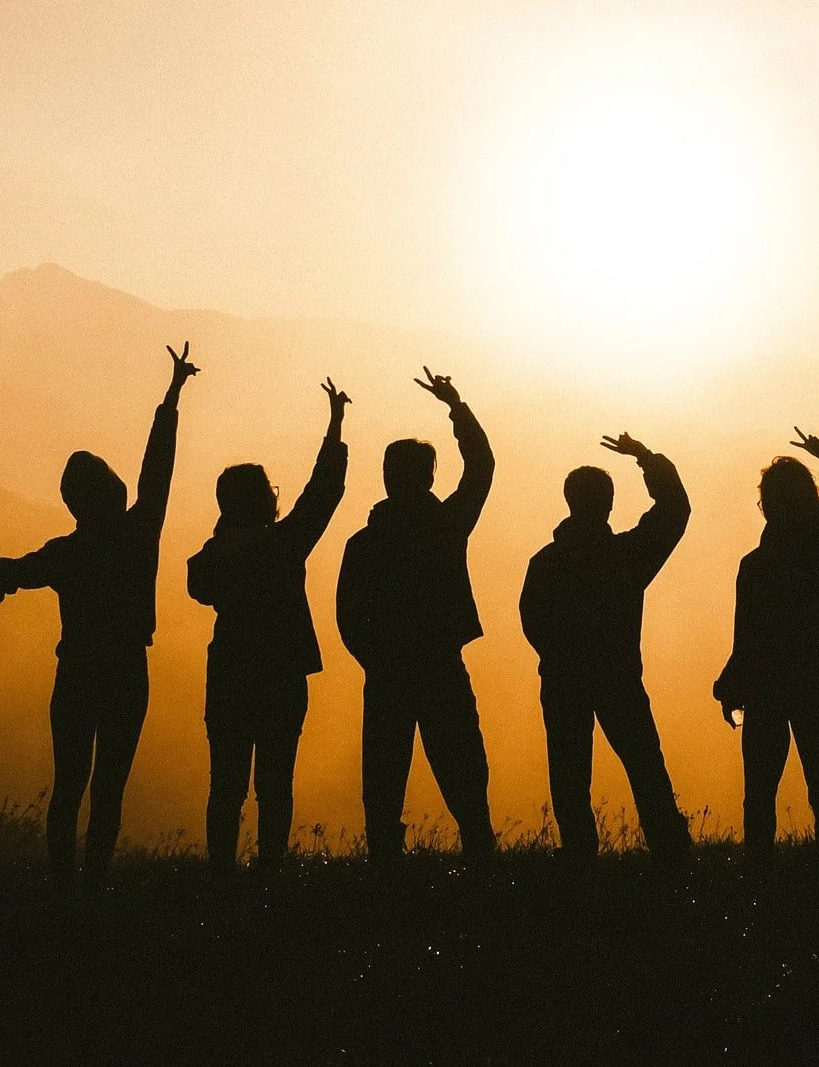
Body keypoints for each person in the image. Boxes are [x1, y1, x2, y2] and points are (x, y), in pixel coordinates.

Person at [0, 344, 199, 889]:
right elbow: (159, 466)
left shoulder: (65, 554)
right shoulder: (137, 534)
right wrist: (171, 396)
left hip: (78, 675)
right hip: (126, 673)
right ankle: (91, 887)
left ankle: (65, 889)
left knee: (70, 786)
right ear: (111, 493)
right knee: (107, 789)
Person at [186, 378, 351, 872]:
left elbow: (199, 588)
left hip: (230, 675)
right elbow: (323, 494)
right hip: (282, 676)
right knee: (275, 785)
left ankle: (221, 874)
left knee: (226, 786)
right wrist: (335, 427)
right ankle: (271, 871)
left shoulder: (211, 556)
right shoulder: (284, 545)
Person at [335, 368, 497, 862]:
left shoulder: (364, 542)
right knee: (464, 774)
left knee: (383, 780)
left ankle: (385, 871)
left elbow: (349, 617)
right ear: (428, 476)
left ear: (387, 477)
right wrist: (457, 405)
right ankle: (480, 861)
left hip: (386, 674)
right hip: (440, 666)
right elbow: (482, 466)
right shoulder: (446, 526)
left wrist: (376, 658)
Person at [518, 433, 694, 868]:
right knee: (644, 764)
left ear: (569, 502)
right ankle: (670, 850)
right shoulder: (626, 555)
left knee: (569, 773)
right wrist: (645, 458)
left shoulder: (545, 562)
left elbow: (531, 620)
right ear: (610, 504)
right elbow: (676, 510)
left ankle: (580, 856)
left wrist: (559, 656)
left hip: (562, 679)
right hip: (618, 678)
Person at [713, 429, 819, 856]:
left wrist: (730, 687)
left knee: (759, 797)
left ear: (767, 506)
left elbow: (747, 639)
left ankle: (758, 877)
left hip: (766, 691)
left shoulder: (755, 565)